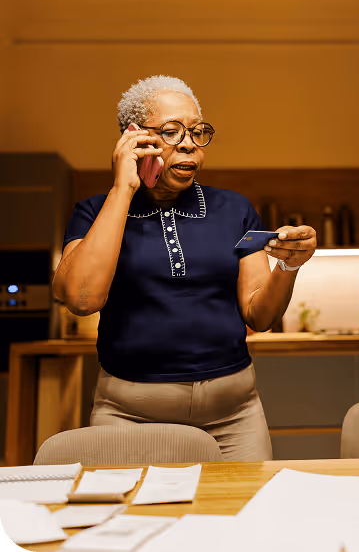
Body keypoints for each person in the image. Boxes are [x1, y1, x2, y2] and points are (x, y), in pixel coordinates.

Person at [53, 75, 317, 461]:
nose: (190, 143)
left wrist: (289, 267)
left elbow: (260, 315)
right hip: (130, 418)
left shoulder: (234, 210)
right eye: (173, 132)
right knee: (135, 521)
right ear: (135, 138)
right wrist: (123, 188)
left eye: (197, 131)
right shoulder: (95, 212)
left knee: (242, 517)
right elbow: (81, 298)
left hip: (234, 418)